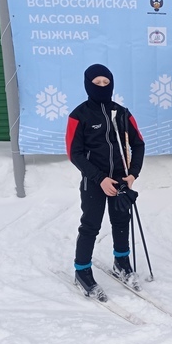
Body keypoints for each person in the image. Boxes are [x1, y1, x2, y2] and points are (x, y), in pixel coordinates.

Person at [65, 63, 145, 300]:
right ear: (88, 85)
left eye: (106, 82)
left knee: (121, 220)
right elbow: (74, 153)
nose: (102, 86)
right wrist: (99, 178)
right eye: (97, 82)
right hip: (94, 181)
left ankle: (122, 262)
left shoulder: (122, 113)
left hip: (120, 179)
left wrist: (132, 174)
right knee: (90, 225)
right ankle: (82, 271)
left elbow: (138, 144)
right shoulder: (79, 115)